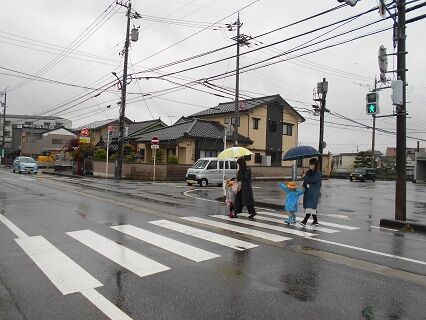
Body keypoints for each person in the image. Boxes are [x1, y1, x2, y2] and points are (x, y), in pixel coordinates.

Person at [300, 158, 322, 227]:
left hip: (314, 192)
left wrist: (305, 177)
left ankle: (304, 221)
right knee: (312, 207)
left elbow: (314, 180)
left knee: (310, 206)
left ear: (315, 165)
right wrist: (303, 186)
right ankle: (315, 220)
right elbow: (306, 181)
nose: (310, 166)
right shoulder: (308, 172)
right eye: (310, 164)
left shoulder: (318, 173)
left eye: (312, 164)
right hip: (308, 192)